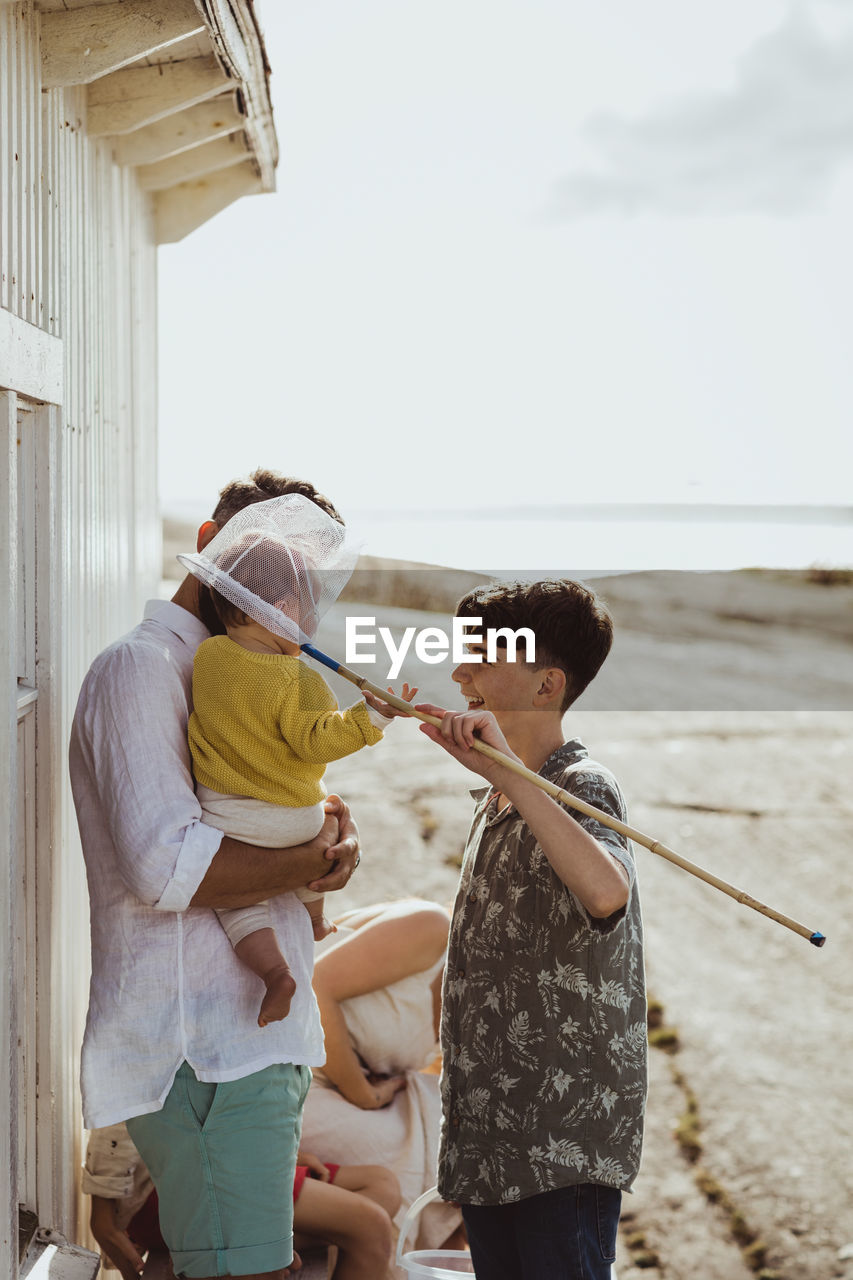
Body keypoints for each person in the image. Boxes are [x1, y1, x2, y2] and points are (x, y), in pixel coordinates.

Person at [69, 469, 361, 1280]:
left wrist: (331, 834)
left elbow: (271, 801)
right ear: (208, 546)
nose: (280, 595)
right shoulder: (142, 670)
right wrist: (309, 859)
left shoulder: (245, 677)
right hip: (206, 1057)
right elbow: (167, 867)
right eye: (261, 564)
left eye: (300, 578)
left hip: (239, 1051)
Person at [416, 579, 647, 1280]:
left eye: (482, 659)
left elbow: (606, 889)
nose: (461, 675)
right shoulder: (498, 793)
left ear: (546, 684)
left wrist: (512, 778)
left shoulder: (580, 782)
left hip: (558, 1143)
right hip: (492, 1133)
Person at [179, 493, 416, 1025]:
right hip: (294, 820)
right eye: (306, 605)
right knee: (326, 816)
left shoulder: (207, 658)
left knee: (238, 907)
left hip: (224, 815)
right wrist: (370, 718)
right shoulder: (299, 678)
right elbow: (316, 741)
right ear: (283, 609)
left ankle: (273, 973)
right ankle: (315, 919)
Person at [298, 899, 464, 1277]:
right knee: (421, 1160)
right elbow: (314, 987)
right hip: (280, 1074)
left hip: (334, 1090)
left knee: (458, 1151)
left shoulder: (483, 1008)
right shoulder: (433, 929)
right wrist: (363, 1093)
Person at [82, 1122, 400, 1280]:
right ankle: (239, 1247)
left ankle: (239, 1248)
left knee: (382, 1186)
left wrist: (283, 1153)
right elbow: (122, 1094)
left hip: (234, 1156)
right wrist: (103, 1213)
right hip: (178, 1182)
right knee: (369, 1226)